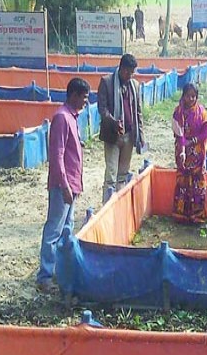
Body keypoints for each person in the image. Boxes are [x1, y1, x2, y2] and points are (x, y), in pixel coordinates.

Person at [36, 77, 90, 293]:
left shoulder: (72, 117)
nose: (86, 102)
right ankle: (45, 276)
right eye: (84, 98)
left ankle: (59, 271)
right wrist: (65, 186)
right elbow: (57, 156)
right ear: (74, 96)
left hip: (72, 183)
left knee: (66, 230)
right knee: (54, 230)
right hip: (63, 185)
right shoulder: (61, 118)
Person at [98, 53, 145, 203]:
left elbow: (138, 112)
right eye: (127, 72)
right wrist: (113, 122)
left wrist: (141, 136)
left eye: (132, 72)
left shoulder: (135, 86)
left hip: (129, 135)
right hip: (112, 135)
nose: (130, 75)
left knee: (123, 174)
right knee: (111, 173)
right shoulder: (106, 82)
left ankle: (119, 204)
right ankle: (107, 205)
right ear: (121, 68)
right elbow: (102, 109)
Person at [172, 83, 207, 224]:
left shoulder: (202, 112)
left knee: (198, 183)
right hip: (183, 153)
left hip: (198, 154)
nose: (191, 99)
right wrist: (182, 150)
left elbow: (205, 132)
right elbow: (179, 133)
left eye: (194, 96)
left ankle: (198, 215)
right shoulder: (178, 113)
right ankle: (181, 215)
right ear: (183, 95)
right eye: (188, 96)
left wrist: (194, 141)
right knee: (183, 182)